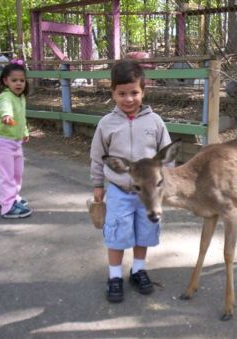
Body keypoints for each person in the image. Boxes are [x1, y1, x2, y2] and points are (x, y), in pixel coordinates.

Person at [90, 59, 172, 303]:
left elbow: (166, 155)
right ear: (113, 93)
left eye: (134, 93)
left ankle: (138, 270)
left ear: (143, 91)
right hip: (119, 191)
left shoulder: (155, 122)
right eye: (122, 93)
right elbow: (97, 157)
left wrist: (166, 183)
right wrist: (97, 185)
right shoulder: (106, 124)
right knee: (116, 233)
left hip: (148, 195)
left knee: (145, 232)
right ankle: (114, 276)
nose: (128, 99)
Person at [0, 60, 32, 219]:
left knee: (17, 173)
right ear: (5, 81)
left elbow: (22, 118)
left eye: (22, 80)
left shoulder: (21, 97)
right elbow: (4, 109)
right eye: (14, 80)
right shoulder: (5, 96)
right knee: (7, 174)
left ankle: (13, 197)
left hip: (15, 141)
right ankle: (7, 207)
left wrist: (25, 131)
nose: (19, 83)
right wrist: (6, 116)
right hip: (3, 142)